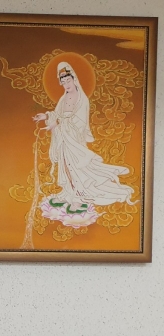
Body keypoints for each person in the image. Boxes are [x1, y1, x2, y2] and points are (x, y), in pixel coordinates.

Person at [32, 62, 136, 225]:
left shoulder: (82, 99)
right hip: (64, 138)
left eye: (68, 80)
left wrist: (59, 124)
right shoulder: (63, 98)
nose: (66, 85)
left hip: (73, 138)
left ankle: (79, 197)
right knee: (65, 166)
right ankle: (68, 192)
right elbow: (57, 114)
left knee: (76, 167)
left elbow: (78, 122)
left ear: (74, 79)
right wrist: (46, 116)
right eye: (63, 82)